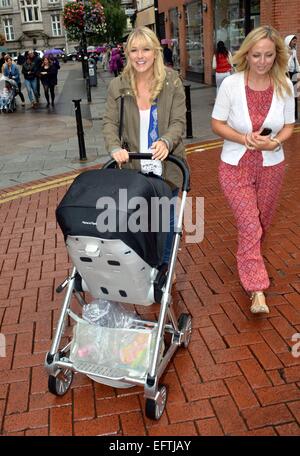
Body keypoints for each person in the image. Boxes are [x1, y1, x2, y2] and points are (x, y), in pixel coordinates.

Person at [211, 25, 295, 314]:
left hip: (272, 165)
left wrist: (275, 143)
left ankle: (249, 253)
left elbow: (289, 126)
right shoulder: (231, 85)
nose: (262, 61)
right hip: (235, 164)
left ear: (277, 55)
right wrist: (243, 138)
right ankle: (257, 288)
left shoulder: (284, 84)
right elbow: (217, 124)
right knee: (250, 224)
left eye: (268, 55)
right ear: (247, 54)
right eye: (256, 55)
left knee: (262, 224)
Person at [103, 26, 186, 270]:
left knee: (166, 225)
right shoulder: (117, 86)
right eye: (134, 50)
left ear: (156, 52)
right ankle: (142, 270)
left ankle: (163, 271)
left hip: (165, 169)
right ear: (127, 54)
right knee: (137, 224)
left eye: (146, 49)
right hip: (131, 167)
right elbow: (109, 123)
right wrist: (114, 147)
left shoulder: (172, 82)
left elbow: (179, 122)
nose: (140, 56)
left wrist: (166, 141)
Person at [284, 34, 299, 120]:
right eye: (293, 41)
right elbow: (286, 65)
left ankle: (295, 115)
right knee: (288, 94)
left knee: (295, 94)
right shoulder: (285, 52)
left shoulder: (293, 51)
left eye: (295, 41)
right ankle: (288, 114)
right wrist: (290, 55)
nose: (295, 43)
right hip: (287, 73)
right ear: (289, 42)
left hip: (294, 74)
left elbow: (295, 61)